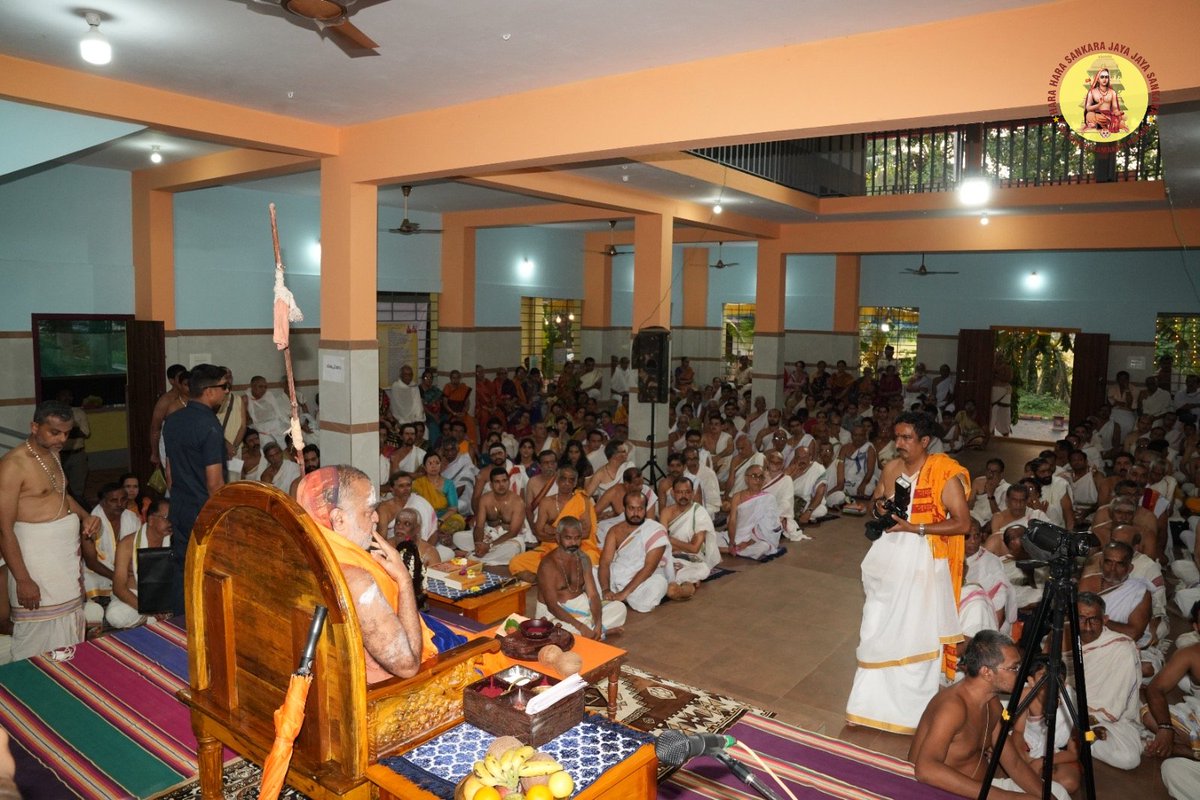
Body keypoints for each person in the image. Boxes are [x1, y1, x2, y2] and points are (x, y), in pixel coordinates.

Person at [846, 411, 971, 734]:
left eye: (906, 438)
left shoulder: (945, 475)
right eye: (897, 437)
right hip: (889, 557)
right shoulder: (891, 468)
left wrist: (916, 527)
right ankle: (865, 707)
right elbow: (876, 502)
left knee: (916, 631)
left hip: (924, 559)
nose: (898, 443)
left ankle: (911, 715)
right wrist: (880, 509)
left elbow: (962, 523)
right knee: (875, 625)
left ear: (925, 441)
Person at [295, 466, 436, 682]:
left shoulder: (298, 552)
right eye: (369, 511)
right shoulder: (355, 579)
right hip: (377, 692)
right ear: (339, 520)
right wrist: (404, 581)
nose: (377, 519)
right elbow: (408, 667)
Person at [908, 631, 1069, 800]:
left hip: (981, 789)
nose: (1020, 674)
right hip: (938, 793)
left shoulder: (992, 704)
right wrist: (1009, 798)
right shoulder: (952, 707)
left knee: (1058, 793)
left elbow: (1013, 763)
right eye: (1013, 668)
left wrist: (1047, 797)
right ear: (987, 672)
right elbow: (925, 769)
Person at [0, 401, 101, 660]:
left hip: (62, 562)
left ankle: (65, 681)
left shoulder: (53, 452)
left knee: (67, 630)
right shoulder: (13, 465)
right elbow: (4, 529)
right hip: (35, 565)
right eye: (55, 432)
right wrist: (23, 579)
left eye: (67, 433)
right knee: (35, 636)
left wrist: (85, 515)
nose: (62, 439)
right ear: (34, 427)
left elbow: (61, 496)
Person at [162, 363, 229, 616]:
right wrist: (224, 517)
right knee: (209, 571)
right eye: (224, 387)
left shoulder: (173, 420)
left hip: (179, 507)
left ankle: (178, 626)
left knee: (183, 567)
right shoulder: (209, 425)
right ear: (209, 391)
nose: (226, 392)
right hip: (205, 512)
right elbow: (214, 482)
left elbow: (169, 474)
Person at [1076, 592, 1143, 770]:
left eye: (1094, 620)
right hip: (1070, 708)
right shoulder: (1063, 637)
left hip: (1109, 719)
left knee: (1129, 759)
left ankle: (1073, 738)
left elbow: (1116, 706)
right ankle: (1077, 737)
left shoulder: (1122, 649)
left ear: (1105, 619)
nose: (1087, 626)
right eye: (1081, 618)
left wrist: (1091, 718)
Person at [534, 517, 626, 639]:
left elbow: (593, 595)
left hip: (581, 607)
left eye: (577, 538)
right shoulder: (548, 565)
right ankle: (599, 632)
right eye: (568, 538)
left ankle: (595, 631)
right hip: (554, 615)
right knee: (557, 631)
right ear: (558, 537)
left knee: (620, 608)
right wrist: (581, 627)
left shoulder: (584, 559)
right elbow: (552, 606)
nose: (573, 543)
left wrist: (598, 623)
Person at [599, 493, 689, 610]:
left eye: (640, 509)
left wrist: (623, 593)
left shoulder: (655, 530)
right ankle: (619, 596)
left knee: (653, 592)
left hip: (646, 579)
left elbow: (649, 568)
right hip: (619, 574)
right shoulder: (614, 531)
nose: (636, 513)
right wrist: (605, 589)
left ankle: (622, 597)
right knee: (591, 573)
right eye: (631, 508)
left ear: (645, 509)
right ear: (624, 508)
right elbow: (605, 562)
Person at [509, 467, 598, 583]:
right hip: (550, 549)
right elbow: (539, 533)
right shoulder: (547, 502)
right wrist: (563, 538)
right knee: (516, 562)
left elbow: (586, 533)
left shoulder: (582, 500)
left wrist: (553, 531)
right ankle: (541, 579)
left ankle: (549, 577)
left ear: (575, 483)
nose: (566, 483)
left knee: (590, 558)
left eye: (571, 480)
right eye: (563, 479)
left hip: (577, 548)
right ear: (557, 480)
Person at [106, 497, 172, 629]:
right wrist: (146, 608)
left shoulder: (177, 541)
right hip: (136, 598)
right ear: (151, 520)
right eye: (167, 518)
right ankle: (151, 618)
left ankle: (154, 619)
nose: (172, 523)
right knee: (115, 615)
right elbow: (119, 588)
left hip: (166, 597)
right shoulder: (127, 544)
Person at [82, 482, 140, 627]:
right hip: (98, 571)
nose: (120, 504)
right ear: (101, 502)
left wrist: (125, 575)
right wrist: (118, 577)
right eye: (113, 500)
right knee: (88, 581)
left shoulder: (132, 518)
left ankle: (111, 610)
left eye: (123, 499)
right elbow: (91, 562)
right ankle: (98, 614)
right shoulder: (90, 523)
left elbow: (138, 551)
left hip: (126, 571)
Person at [455, 467, 527, 566]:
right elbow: (479, 526)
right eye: (497, 482)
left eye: (504, 481)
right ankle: (482, 555)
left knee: (512, 549)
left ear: (509, 482)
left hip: (508, 540)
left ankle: (473, 558)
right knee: (457, 537)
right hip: (489, 535)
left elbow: (513, 532)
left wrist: (489, 546)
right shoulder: (485, 499)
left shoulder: (518, 502)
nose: (501, 485)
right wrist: (478, 544)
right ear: (491, 484)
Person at [660, 477, 719, 584]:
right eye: (679, 492)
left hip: (693, 559)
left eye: (687, 492)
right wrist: (673, 545)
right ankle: (684, 579)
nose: (683, 496)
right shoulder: (666, 512)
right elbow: (662, 544)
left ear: (692, 493)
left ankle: (675, 578)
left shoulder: (699, 512)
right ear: (673, 493)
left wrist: (671, 540)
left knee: (703, 569)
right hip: (671, 556)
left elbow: (694, 548)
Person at [722, 466, 783, 560]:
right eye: (754, 476)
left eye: (761, 477)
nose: (758, 480)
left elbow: (771, 526)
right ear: (746, 478)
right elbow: (732, 521)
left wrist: (748, 543)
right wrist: (731, 542)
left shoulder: (769, 498)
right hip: (736, 535)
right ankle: (732, 548)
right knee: (709, 537)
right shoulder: (737, 497)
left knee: (763, 547)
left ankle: (726, 550)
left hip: (755, 539)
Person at [149, 364, 189, 468]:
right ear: (171, 381)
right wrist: (155, 453)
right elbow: (155, 429)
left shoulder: (194, 398)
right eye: (179, 377)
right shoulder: (165, 401)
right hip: (170, 446)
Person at [1082, 66, 1127, 133]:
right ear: (1098, 79)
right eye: (1102, 77)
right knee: (1089, 115)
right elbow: (1088, 108)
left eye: (1106, 77)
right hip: (1098, 115)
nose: (1104, 79)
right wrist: (1098, 105)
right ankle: (1107, 124)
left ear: (1108, 79)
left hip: (1109, 115)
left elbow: (1115, 108)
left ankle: (1099, 125)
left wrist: (1117, 112)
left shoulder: (1112, 92)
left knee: (1124, 116)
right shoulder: (1092, 92)